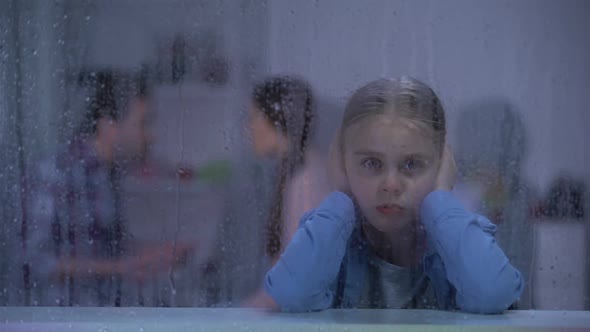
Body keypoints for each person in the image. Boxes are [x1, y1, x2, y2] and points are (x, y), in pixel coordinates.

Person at [263, 77, 524, 313]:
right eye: (371, 164)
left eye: (412, 164)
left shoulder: (456, 239)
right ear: (343, 163)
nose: (390, 185)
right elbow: (290, 294)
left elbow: (493, 292)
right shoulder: (330, 240)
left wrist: (441, 195)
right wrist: (341, 195)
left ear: (442, 163)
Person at [24, 70, 188, 306]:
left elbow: (95, 247)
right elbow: (34, 260)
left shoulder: (108, 173)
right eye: (143, 123)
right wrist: (125, 266)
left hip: (97, 314)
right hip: (61, 318)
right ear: (108, 126)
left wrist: (150, 255)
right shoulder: (55, 173)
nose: (150, 135)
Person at [242, 75, 330, 307]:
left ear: (276, 119)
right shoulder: (302, 167)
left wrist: (241, 316)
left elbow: (298, 277)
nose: (249, 127)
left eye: (253, 118)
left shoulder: (305, 181)